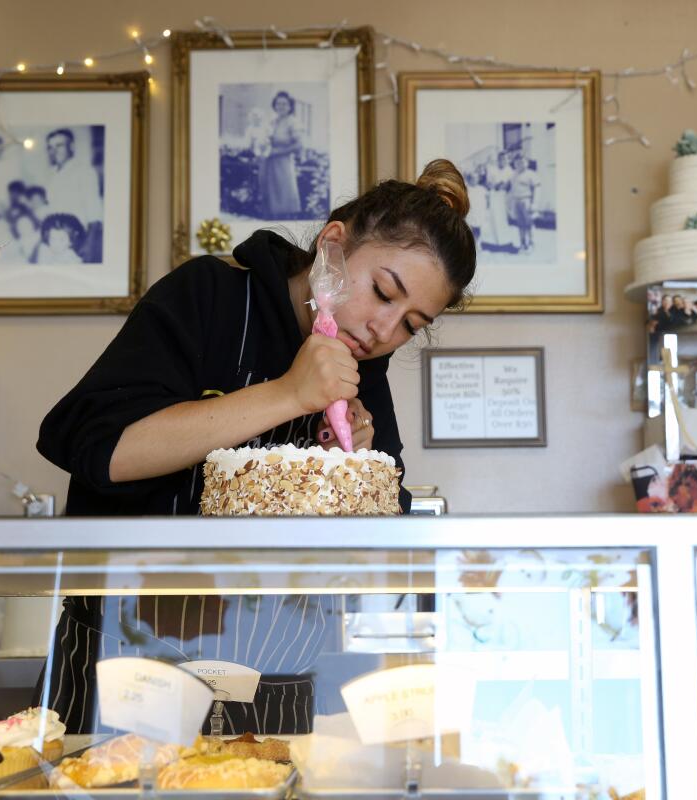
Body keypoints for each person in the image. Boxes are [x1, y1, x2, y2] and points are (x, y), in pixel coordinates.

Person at [35, 159, 477, 733]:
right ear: (333, 245)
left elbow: (380, 548)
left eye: (410, 324)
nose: (382, 331)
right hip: (129, 670)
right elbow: (102, 449)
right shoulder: (210, 294)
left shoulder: (365, 369)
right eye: (381, 292)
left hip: (278, 684)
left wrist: (353, 472)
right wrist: (289, 394)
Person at [43, 128, 103, 258]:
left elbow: (95, 211)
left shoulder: (84, 171)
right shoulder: (52, 174)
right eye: (50, 147)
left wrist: (89, 243)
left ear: (71, 146)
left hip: (76, 237)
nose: (54, 151)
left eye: (59, 145)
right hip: (55, 238)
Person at [260, 91, 304, 218]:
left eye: (285, 104)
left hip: (284, 165)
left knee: (284, 197)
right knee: (270, 199)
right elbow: (266, 139)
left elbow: (298, 145)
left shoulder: (293, 122)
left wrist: (276, 152)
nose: (281, 106)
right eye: (278, 103)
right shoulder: (273, 122)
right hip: (269, 164)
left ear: (290, 106)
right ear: (274, 105)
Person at [483, 151, 515, 251]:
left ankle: (505, 242)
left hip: (504, 197)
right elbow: (487, 183)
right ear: (498, 160)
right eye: (501, 159)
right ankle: (494, 242)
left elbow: (510, 185)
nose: (503, 161)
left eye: (505, 159)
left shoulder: (510, 171)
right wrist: (493, 185)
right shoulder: (493, 170)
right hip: (494, 196)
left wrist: (503, 186)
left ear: (507, 160)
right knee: (494, 219)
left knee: (503, 219)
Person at [508, 155, 540, 252]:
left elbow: (537, 189)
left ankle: (531, 244)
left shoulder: (531, 174)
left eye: (522, 162)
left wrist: (534, 203)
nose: (520, 164)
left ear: (527, 163)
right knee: (520, 224)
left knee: (529, 224)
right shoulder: (513, 175)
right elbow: (511, 190)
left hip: (527, 200)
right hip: (516, 201)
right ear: (515, 164)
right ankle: (522, 244)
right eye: (518, 163)